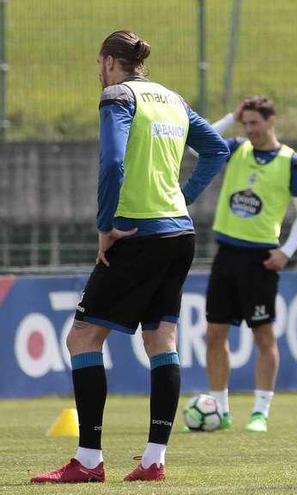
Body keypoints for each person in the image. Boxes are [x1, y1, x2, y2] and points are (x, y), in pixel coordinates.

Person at [31, 31, 228, 483]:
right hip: (180, 233)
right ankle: (154, 460)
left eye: (98, 65)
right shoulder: (173, 100)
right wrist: (183, 195)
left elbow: (113, 163)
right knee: (161, 341)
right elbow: (218, 148)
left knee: (82, 339)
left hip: (136, 233)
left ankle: (89, 461)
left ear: (108, 61)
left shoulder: (117, 97)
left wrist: (105, 226)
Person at [203, 96, 297, 433]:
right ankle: (219, 408)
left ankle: (260, 412)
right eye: (245, 123)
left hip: (261, 259)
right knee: (214, 333)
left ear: (271, 121)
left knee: (263, 335)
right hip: (226, 253)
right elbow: (198, 146)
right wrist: (229, 116)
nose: (249, 129)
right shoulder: (235, 149)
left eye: (254, 123)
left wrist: (286, 252)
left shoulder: (292, 162)